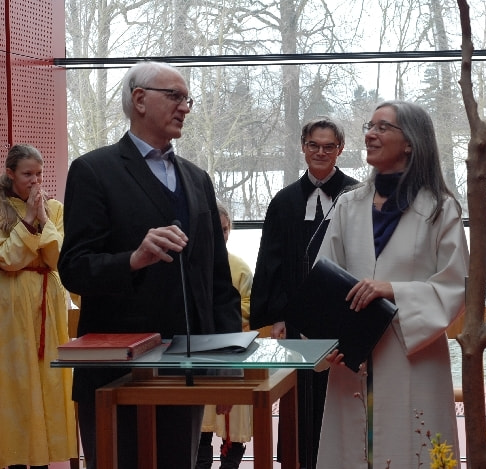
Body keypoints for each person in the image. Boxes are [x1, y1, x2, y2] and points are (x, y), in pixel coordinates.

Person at [57, 61, 242, 469]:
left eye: (187, 99)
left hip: (184, 372)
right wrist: (133, 259)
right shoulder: (93, 171)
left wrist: (226, 362)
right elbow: (73, 269)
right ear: (139, 99)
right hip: (116, 375)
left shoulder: (198, 179)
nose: (185, 107)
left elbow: (217, 281)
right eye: (174, 96)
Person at [317, 100, 469, 467]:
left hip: (413, 356)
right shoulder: (348, 205)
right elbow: (324, 280)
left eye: (382, 127)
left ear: (411, 143)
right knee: (352, 452)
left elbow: (455, 287)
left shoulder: (440, 209)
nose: (370, 134)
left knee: (413, 449)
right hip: (352, 359)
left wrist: (393, 290)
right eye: (369, 126)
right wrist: (328, 340)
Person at [249, 116, 358, 468]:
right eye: (314, 145)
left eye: (329, 146)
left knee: (341, 395)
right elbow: (270, 262)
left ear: (340, 149)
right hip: (295, 320)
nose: (320, 152)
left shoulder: (357, 197)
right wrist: (278, 316)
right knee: (300, 398)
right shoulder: (283, 201)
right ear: (303, 147)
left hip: (344, 316)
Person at [0, 144, 77, 469]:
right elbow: (8, 259)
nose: (35, 181)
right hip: (12, 308)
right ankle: (17, 457)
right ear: (10, 174)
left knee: (49, 381)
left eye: (39, 174)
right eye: (27, 174)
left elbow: (58, 259)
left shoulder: (55, 209)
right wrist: (29, 220)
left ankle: (44, 458)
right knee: (18, 384)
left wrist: (43, 218)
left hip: (48, 304)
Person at [196, 202, 253, 469]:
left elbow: (250, 304)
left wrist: (222, 315)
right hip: (200, 354)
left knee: (236, 423)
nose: (222, 235)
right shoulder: (192, 265)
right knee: (201, 425)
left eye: (225, 229)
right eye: (216, 230)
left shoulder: (240, 267)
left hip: (235, 352)